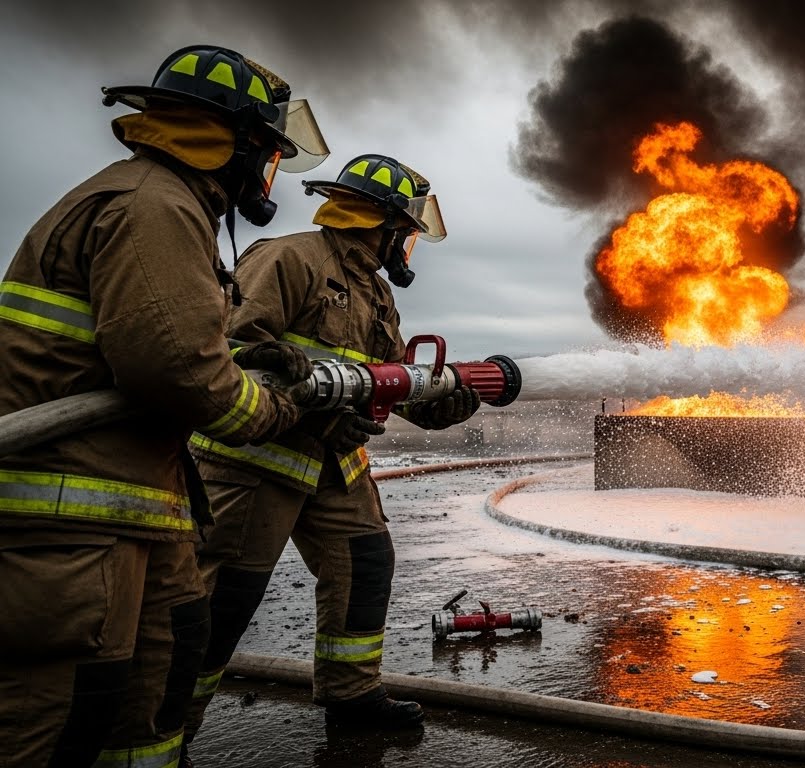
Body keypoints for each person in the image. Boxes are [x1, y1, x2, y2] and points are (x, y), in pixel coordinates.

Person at [0, 44, 328, 767]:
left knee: (154, 698)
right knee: (60, 725)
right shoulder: (154, 204)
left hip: (135, 515)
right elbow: (176, 369)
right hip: (72, 527)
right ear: (239, 144)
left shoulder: (171, 203)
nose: (266, 174)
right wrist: (273, 411)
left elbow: (161, 344)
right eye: (268, 155)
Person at [184, 153, 481, 742]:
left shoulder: (372, 292)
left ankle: (353, 699)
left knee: (364, 563)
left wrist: (455, 396)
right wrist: (320, 418)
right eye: (406, 234)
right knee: (222, 602)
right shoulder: (288, 258)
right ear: (387, 225)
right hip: (256, 462)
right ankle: (169, 733)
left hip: (335, 465)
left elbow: (390, 379)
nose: (406, 249)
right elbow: (228, 353)